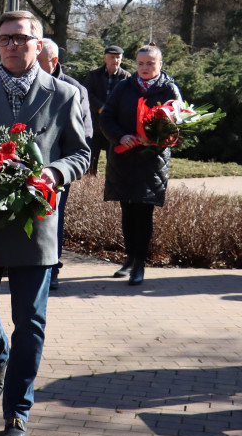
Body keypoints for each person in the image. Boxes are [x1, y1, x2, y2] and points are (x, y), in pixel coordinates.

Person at [0, 11, 89, 436]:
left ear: (38, 43)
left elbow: (82, 155)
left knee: (29, 321)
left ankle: (17, 410)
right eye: (4, 39)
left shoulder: (65, 95)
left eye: (20, 38)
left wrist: (54, 171)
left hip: (36, 223)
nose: (11, 45)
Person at [98, 44, 182, 286]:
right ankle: (129, 258)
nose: (145, 68)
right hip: (124, 158)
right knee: (127, 211)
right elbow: (106, 117)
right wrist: (120, 136)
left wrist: (155, 139)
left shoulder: (169, 89)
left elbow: (179, 123)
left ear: (160, 65)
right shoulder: (124, 86)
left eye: (150, 63)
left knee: (143, 213)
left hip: (151, 161)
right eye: (141, 63)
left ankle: (139, 265)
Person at [37, 38, 91, 291]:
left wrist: (60, 168)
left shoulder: (72, 89)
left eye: (40, 62)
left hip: (56, 169)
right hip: (24, 165)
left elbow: (84, 134)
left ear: (54, 61)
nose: (33, 67)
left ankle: (52, 267)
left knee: (52, 217)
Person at [84, 46, 130, 175]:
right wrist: (100, 107)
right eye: (112, 57)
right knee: (91, 158)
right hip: (95, 123)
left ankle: (112, 184)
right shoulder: (94, 75)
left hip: (115, 124)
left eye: (118, 58)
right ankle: (90, 184)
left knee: (114, 159)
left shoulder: (126, 78)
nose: (115, 60)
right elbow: (87, 94)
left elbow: (127, 99)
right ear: (105, 58)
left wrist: (111, 111)